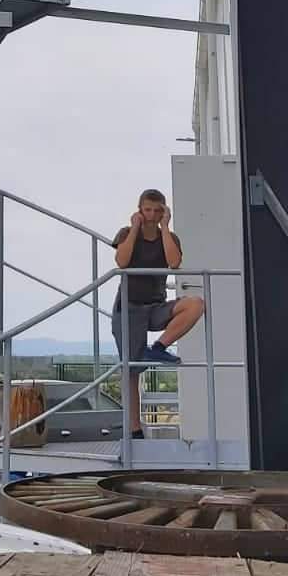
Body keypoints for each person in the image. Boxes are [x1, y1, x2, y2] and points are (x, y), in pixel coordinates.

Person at [111, 188, 205, 439]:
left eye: (156, 210)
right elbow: (121, 261)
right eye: (147, 210)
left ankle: (159, 347)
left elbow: (174, 263)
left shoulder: (169, 237)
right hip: (129, 308)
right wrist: (135, 228)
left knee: (195, 304)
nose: (151, 215)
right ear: (139, 210)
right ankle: (135, 429)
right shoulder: (126, 233)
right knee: (131, 371)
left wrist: (164, 227)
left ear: (164, 211)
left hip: (155, 305)